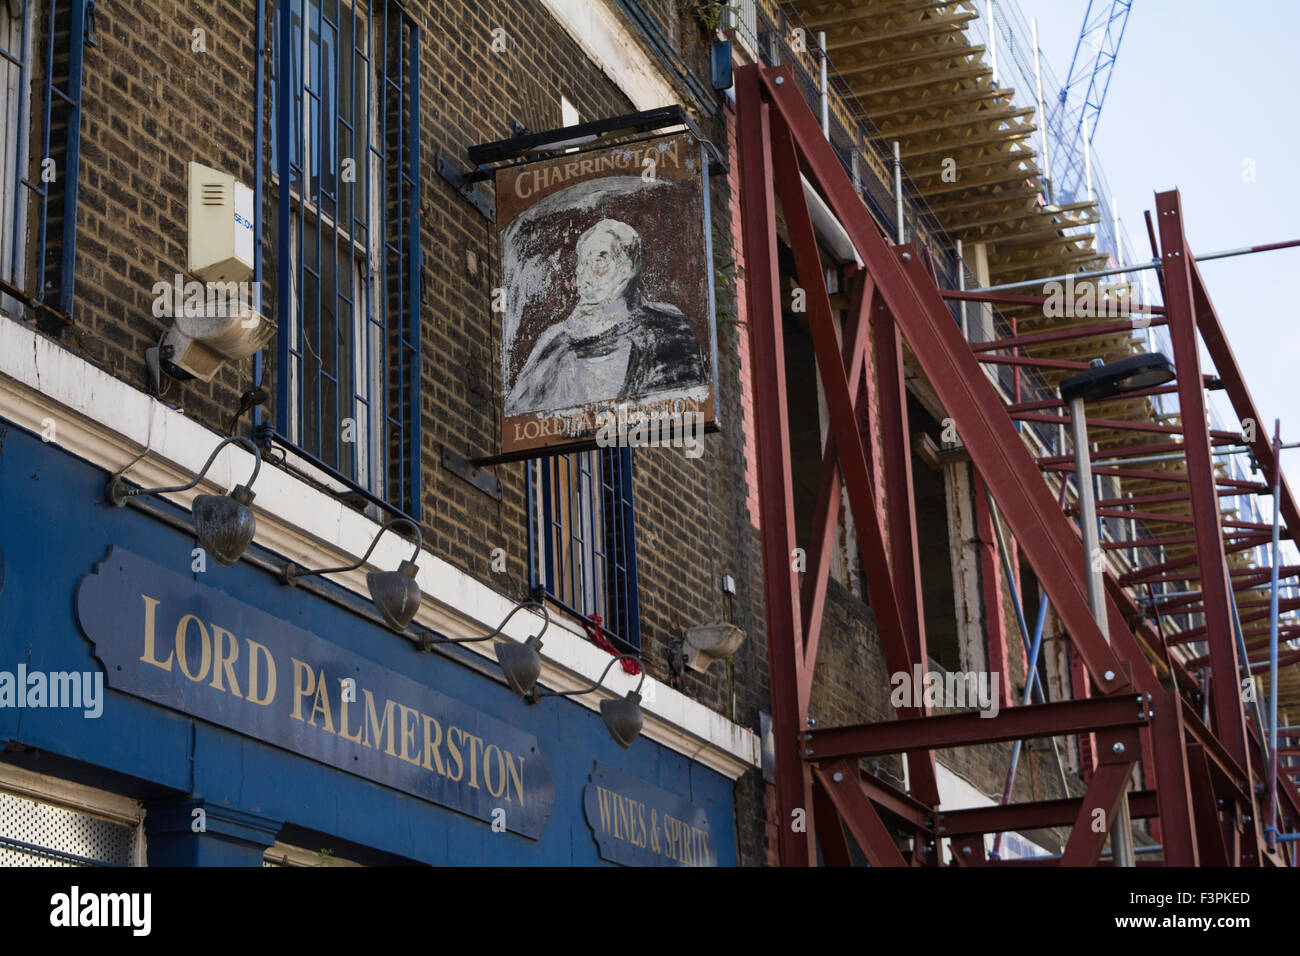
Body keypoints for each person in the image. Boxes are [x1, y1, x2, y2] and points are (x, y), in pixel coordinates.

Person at [507, 218, 706, 415]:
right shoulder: (554, 341)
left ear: (628, 267)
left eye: (599, 261)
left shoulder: (668, 329)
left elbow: (685, 405)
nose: (585, 274)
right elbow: (517, 415)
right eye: (583, 263)